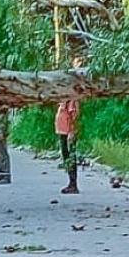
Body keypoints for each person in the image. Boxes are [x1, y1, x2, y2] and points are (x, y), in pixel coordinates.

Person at [55, 57, 84, 194]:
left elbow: (74, 115)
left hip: (68, 131)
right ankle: (70, 182)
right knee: (66, 156)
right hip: (62, 130)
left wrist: (72, 132)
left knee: (70, 156)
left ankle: (73, 183)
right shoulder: (65, 95)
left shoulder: (72, 96)